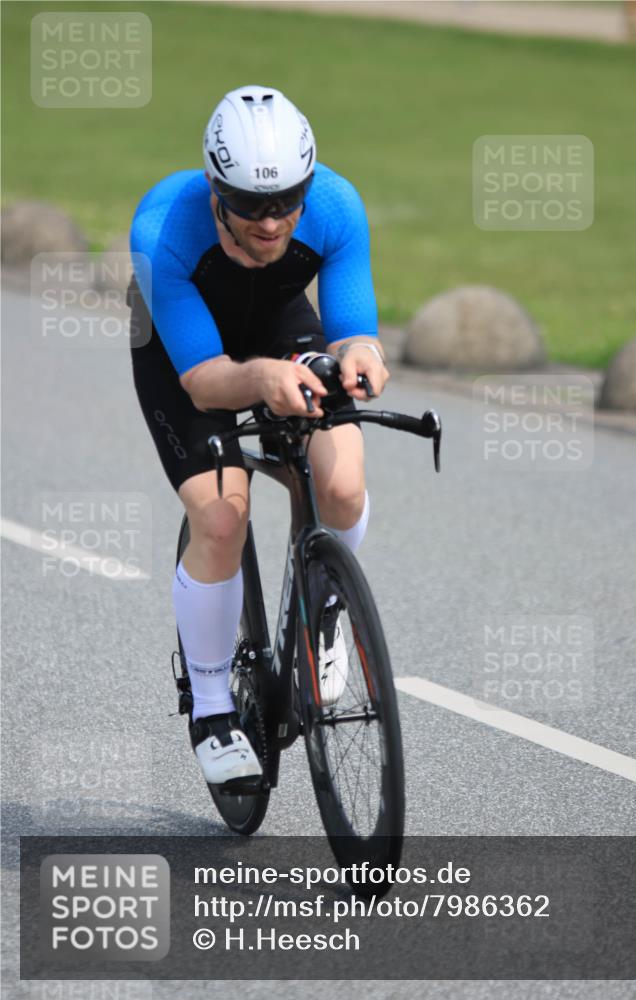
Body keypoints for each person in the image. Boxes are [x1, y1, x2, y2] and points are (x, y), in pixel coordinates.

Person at [128, 85, 389, 787]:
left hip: (277, 325)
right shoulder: (162, 228)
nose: (271, 222)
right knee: (221, 516)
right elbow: (204, 381)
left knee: (341, 484)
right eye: (250, 205)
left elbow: (353, 327)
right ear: (217, 190)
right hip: (184, 354)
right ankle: (213, 709)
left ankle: (324, 612)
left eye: (286, 201)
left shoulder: (335, 205)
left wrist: (361, 355)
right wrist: (266, 379)